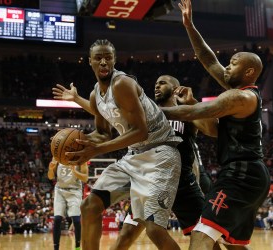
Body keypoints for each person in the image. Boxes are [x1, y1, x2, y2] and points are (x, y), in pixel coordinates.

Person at [53, 74, 217, 249]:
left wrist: (192, 102)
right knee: (126, 236)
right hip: (148, 179)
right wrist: (77, 99)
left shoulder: (185, 110)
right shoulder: (146, 111)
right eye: (155, 83)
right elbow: (107, 112)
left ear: (176, 87)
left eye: (162, 83)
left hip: (181, 182)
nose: (156, 86)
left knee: (204, 237)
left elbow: (211, 129)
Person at [160, 1, 271, 249]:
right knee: (234, 245)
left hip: (241, 174)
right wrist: (189, 26)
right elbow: (207, 59)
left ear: (249, 71)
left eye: (233, 63)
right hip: (250, 174)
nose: (227, 66)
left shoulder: (239, 97)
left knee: (201, 234)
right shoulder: (237, 90)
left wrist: (147, 109)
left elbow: (194, 112)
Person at [54, 39, 182, 250]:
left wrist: (96, 150)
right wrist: (78, 142)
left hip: (161, 154)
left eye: (108, 57)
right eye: (98, 58)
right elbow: (102, 134)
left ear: (114, 60)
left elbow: (140, 131)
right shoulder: (96, 94)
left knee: (154, 230)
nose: (103, 62)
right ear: (90, 62)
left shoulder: (122, 83)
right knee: (89, 206)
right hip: (134, 156)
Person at [48, 157, 89, 250]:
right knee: (57, 219)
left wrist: (74, 171)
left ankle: (77, 247)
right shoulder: (57, 156)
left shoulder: (81, 157)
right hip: (60, 190)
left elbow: (85, 178)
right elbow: (50, 176)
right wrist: (51, 169)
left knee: (77, 220)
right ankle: (56, 248)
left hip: (74, 190)